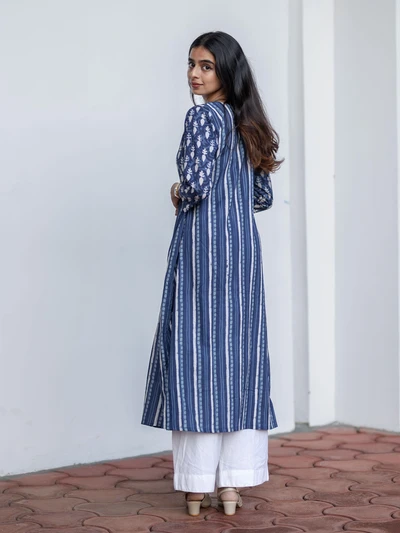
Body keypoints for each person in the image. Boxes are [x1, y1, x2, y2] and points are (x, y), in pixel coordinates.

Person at [141, 31, 282, 517]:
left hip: (204, 252)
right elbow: (261, 197)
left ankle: (197, 485)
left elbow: (197, 184)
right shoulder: (249, 123)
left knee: (196, 357)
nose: (194, 74)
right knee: (239, 359)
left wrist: (178, 190)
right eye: (191, 64)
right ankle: (233, 485)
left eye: (205, 66)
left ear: (226, 71)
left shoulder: (203, 117)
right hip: (243, 256)